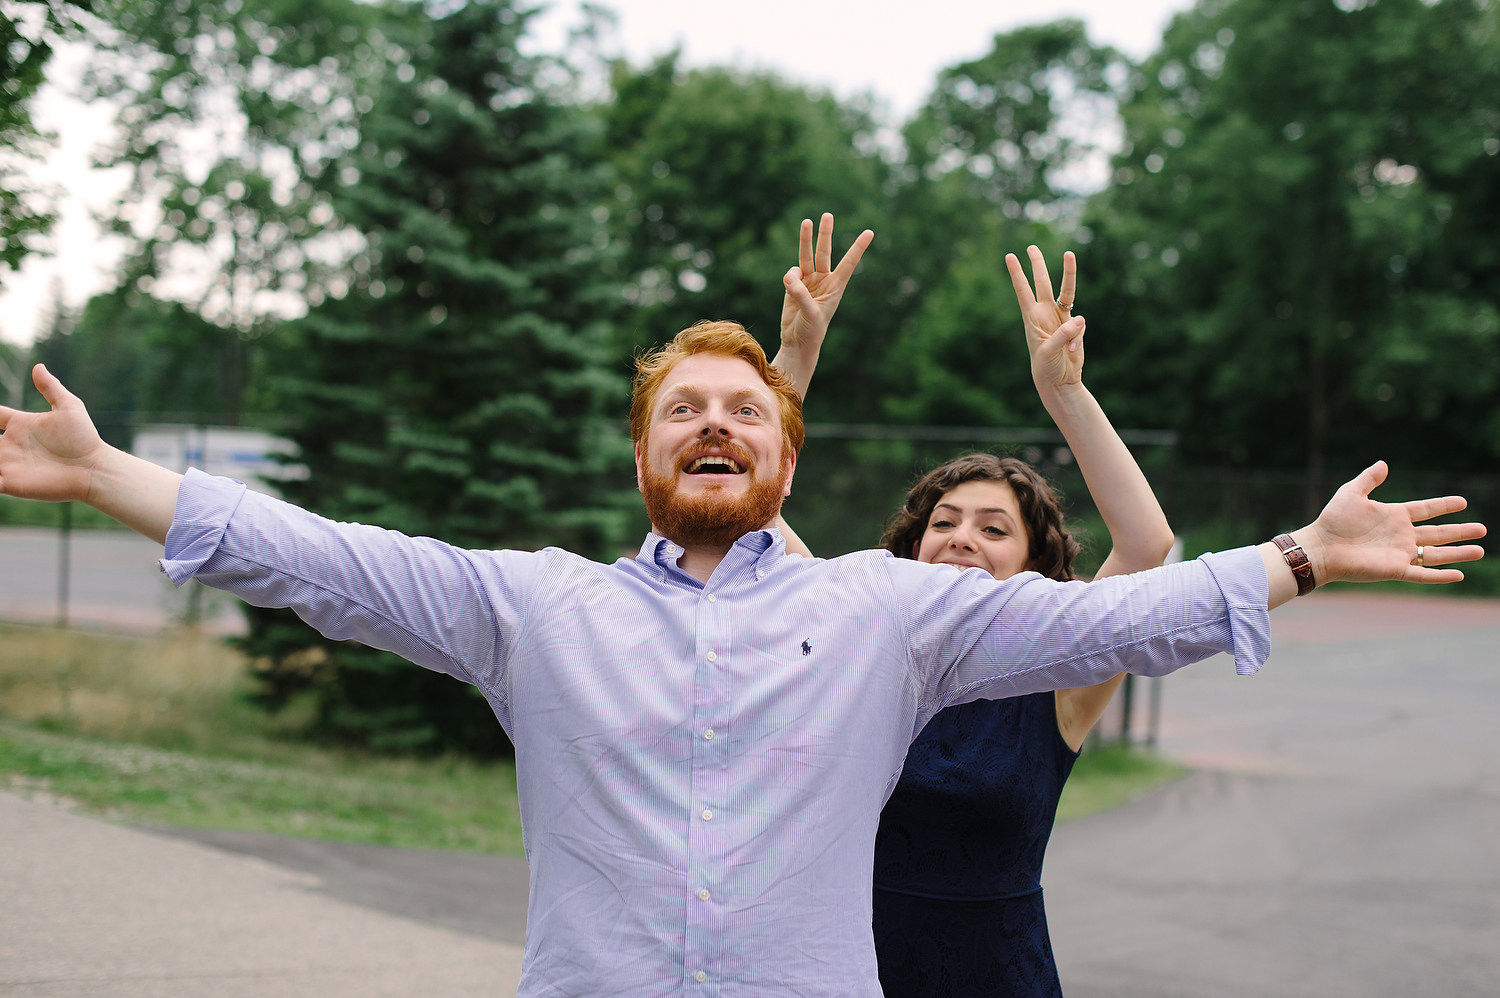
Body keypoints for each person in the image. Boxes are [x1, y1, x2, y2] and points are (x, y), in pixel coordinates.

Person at [0, 215, 1484, 998]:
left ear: (783, 459)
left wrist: (1301, 550)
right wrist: (108, 470)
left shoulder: (890, 613)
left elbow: (1114, 617)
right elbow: (317, 554)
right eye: (683, 411)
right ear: (642, 455)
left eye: (744, 410)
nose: (714, 425)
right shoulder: (536, 609)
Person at [773, 245, 1171, 996]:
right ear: (913, 546)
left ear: (1032, 565)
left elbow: (1145, 546)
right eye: (945, 521)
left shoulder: (1062, 679)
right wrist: (795, 353)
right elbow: (750, 513)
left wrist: (1064, 393)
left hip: (997, 976)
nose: (961, 535)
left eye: (993, 529)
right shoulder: (851, 636)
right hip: (844, 971)